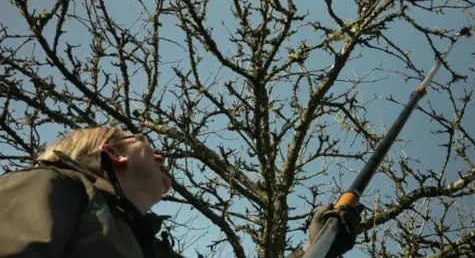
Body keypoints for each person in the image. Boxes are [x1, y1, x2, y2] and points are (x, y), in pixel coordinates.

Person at [0, 127, 361, 258]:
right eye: (144, 142)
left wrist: (318, 247)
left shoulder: (152, 249)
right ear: (113, 153)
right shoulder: (52, 187)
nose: (160, 155)